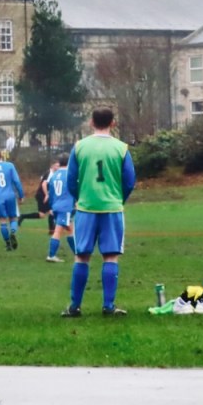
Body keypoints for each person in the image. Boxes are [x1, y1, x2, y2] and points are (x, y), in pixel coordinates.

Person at [61, 107, 136, 318]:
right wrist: (119, 198)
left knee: (81, 256)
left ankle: (75, 306)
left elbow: (70, 180)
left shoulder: (79, 147)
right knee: (110, 256)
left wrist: (79, 198)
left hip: (85, 208)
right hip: (112, 208)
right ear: (113, 123)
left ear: (91, 123)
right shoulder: (121, 148)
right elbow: (130, 181)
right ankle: (108, 306)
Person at [0, 150, 25, 251]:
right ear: (2, 155)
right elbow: (17, 181)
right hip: (10, 196)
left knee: (2, 220)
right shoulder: (10, 165)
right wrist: (21, 195)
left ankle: (8, 244)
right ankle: (13, 232)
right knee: (13, 218)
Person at [45, 154, 76, 263]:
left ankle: (78, 254)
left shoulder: (54, 175)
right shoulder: (70, 175)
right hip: (65, 207)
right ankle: (51, 255)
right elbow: (74, 189)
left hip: (56, 206)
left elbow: (51, 193)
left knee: (70, 229)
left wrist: (51, 207)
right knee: (58, 231)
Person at [18, 160, 56, 229]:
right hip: (42, 195)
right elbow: (44, 184)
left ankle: (52, 228)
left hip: (43, 195)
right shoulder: (50, 173)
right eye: (57, 165)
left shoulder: (51, 173)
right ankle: (52, 229)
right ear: (52, 165)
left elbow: (43, 180)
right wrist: (46, 195)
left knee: (44, 214)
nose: (58, 167)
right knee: (49, 212)